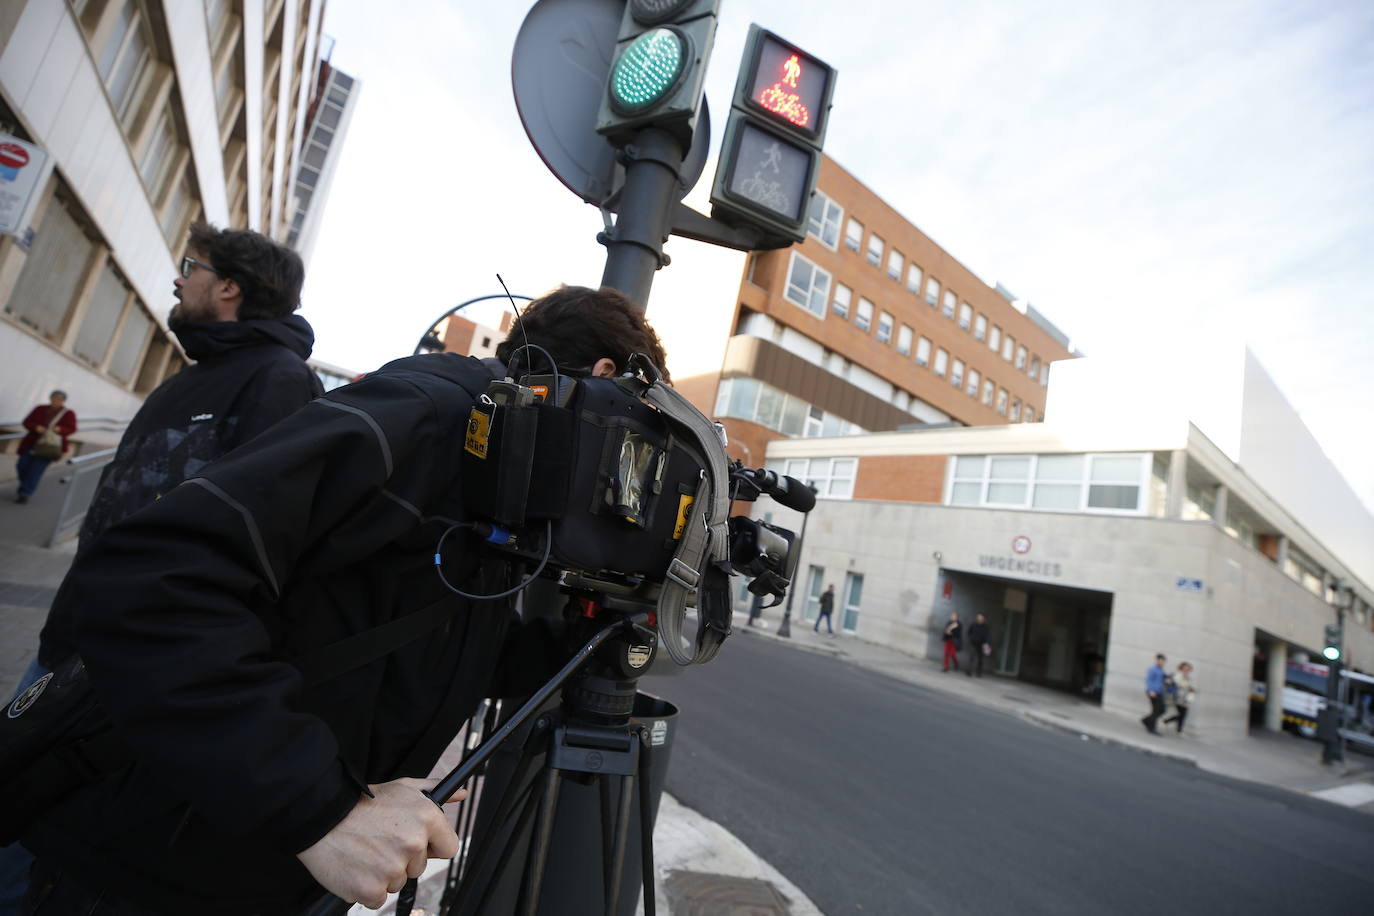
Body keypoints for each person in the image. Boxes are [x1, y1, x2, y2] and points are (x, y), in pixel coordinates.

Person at [14, 285, 672, 915]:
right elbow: (152, 577)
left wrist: (596, 638)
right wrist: (320, 809)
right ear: (605, 372)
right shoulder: (429, 414)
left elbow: (433, 642)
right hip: (151, 869)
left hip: (260, 870)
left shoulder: (500, 480)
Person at [0, 225, 325, 916]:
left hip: (132, 667)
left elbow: (262, 542)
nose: (180, 280)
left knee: (32, 848)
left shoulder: (279, 382)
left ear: (230, 286)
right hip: (71, 642)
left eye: (193, 268)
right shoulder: (195, 377)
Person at [12, 391, 77, 504]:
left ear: (63, 401)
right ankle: (26, 485)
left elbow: (72, 428)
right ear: (50, 398)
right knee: (21, 465)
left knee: (35, 471)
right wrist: (36, 427)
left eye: (59, 399)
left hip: (50, 447)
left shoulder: (68, 413)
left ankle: (25, 493)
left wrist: (60, 429)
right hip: (32, 443)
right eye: (54, 398)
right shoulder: (40, 408)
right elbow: (27, 422)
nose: (56, 401)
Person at [1162, 661, 1196, 734]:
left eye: (1188, 669)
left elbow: (1191, 686)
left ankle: (1179, 730)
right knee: (1178, 714)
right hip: (1177, 696)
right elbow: (1176, 684)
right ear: (1182, 668)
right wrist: (1186, 686)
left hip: (1185, 698)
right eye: (1186, 668)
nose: (1187, 670)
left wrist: (1191, 689)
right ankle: (1167, 721)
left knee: (1183, 714)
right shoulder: (1178, 675)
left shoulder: (1189, 678)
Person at [1142, 653, 1168, 735]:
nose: (1162, 662)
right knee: (1156, 710)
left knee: (1162, 709)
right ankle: (1152, 729)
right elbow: (1149, 680)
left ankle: (1146, 720)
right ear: (1157, 660)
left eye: (1163, 661)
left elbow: (1162, 678)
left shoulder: (1161, 670)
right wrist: (1151, 691)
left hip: (1159, 692)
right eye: (1160, 660)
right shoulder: (1152, 669)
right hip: (1153, 692)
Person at [965, 613, 991, 677]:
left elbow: (988, 636)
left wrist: (986, 643)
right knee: (971, 657)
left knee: (980, 659)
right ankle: (969, 671)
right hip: (973, 644)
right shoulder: (973, 625)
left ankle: (979, 672)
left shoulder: (986, 627)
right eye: (979, 618)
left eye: (981, 619)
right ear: (977, 619)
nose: (980, 620)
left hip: (982, 645)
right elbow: (969, 632)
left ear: (983, 619)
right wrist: (971, 638)